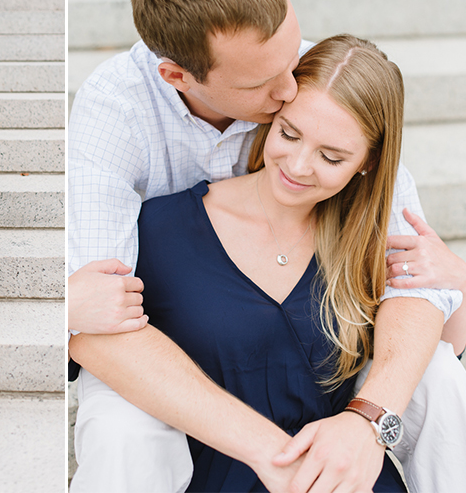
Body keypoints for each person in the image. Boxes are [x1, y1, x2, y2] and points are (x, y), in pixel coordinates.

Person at [68, 0, 466, 492]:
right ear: (179, 76)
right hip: (169, 334)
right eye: (264, 85)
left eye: (292, 54)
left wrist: (366, 418)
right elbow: (97, 314)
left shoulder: (308, 73)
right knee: (121, 434)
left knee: (438, 377)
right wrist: (279, 459)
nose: (290, 87)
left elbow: (414, 285)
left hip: (310, 319)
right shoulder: (115, 113)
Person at [136, 34, 409, 491]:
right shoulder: (161, 230)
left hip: (350, 477)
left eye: (331, 156)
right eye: (289, 133)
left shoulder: (368, 243)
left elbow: (444, 356)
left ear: (368, 162)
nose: (299, 166)